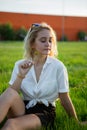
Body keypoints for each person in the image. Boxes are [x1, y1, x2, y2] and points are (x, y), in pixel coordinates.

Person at [0, 22, 80, 130]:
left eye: (50, 40)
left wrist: (76, 122)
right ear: (32, 44)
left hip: (44, 112)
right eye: (43, 40)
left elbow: (64, 98)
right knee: (9, 92)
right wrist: (21, 76)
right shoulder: (20, 65)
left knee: (11, 124)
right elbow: (12, 94)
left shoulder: (58, 67)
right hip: (23, 107)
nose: (48, 44)